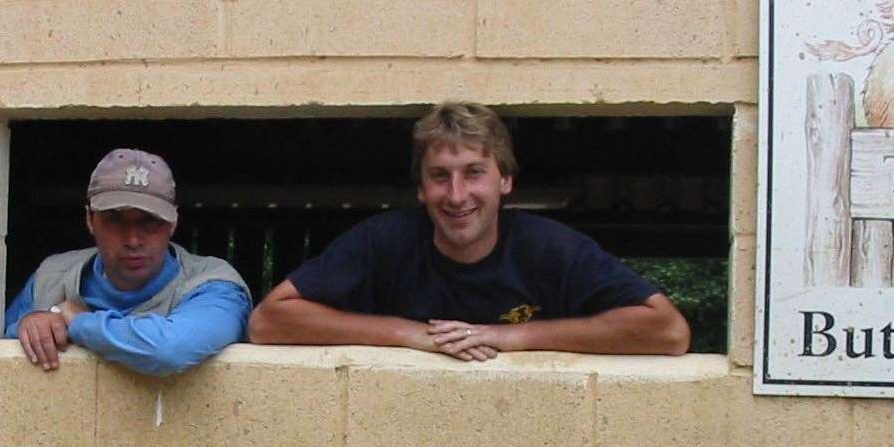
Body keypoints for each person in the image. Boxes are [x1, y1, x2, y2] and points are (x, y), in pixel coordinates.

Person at [247, 102, 690, 360]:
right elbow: (268, 322)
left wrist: (510, 336)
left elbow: (668, 332)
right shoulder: (385, 239)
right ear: (421, 189)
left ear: (505, 181)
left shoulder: (549, 246)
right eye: (440, 175)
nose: (457, 195)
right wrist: (411, 335)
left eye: (474, 172)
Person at [4, 148, 252, 375]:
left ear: (174, 222)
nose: (133, 239)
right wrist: (30, 323)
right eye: (114, 219)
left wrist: (78, 321)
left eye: (149, 220)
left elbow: (168, 350)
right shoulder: (52, 275)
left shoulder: (213, 282)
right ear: (90, 219)